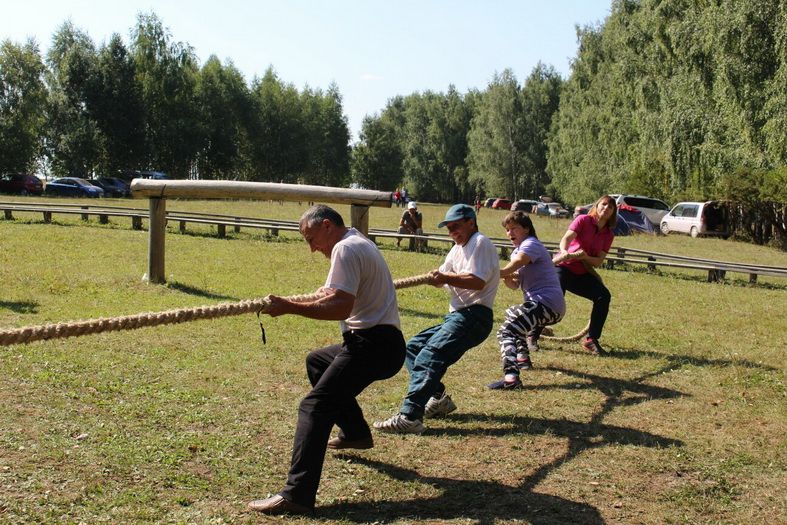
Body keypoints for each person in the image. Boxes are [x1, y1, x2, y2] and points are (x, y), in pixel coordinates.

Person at [248, 205, 406, 515]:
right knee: (318, 362)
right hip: (381, 343)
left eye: (311, 238)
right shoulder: (357, 241)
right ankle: (356, 434)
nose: (311, 248)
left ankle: (296, 495)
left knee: (315, 406)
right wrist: (291, 301)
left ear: (327, 226)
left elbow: (339, 307)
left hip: (374, 345)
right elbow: (333, 292)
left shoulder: (346, 249)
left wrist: (290, 308)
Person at [374, 204, 499, 434]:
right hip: (458, 316)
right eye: (449, 229)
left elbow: (477, 281)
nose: (452, 232)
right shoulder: (456, 249)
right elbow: (445, 275)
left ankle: (410, 416)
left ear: (471, 222)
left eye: (456, 227)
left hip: (474, 315)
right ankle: (439, 398)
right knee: (413, 348)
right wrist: (438, 278)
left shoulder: (480, 242)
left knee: (430, 355)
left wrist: (445, 277)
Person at [488, 211, 566, 390]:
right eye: (507, 230)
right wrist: (507, 277)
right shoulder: (517, 250)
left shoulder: (531, 244)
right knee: (511, 315)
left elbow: (517, 263)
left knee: (505, 332)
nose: (510, 233)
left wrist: (494, 273)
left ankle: (511, 378)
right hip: (541, 304)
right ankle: (522, 359)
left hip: (547, 303)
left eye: (514, 228)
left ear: (526, 229)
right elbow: (515, 285)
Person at [552, 194, 617, 356]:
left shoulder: (609, 235)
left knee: (603, 296)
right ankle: (533, 334)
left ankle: (591, 339)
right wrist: (565, 252)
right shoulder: (582, 220)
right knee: (554, 302)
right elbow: (565, 239)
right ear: (596, 206)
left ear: (613, 212)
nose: (606, 209)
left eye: (610, 207)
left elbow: (597, 261)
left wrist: (585, 257)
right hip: (563, 267)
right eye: (603, 204)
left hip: (582, 273)